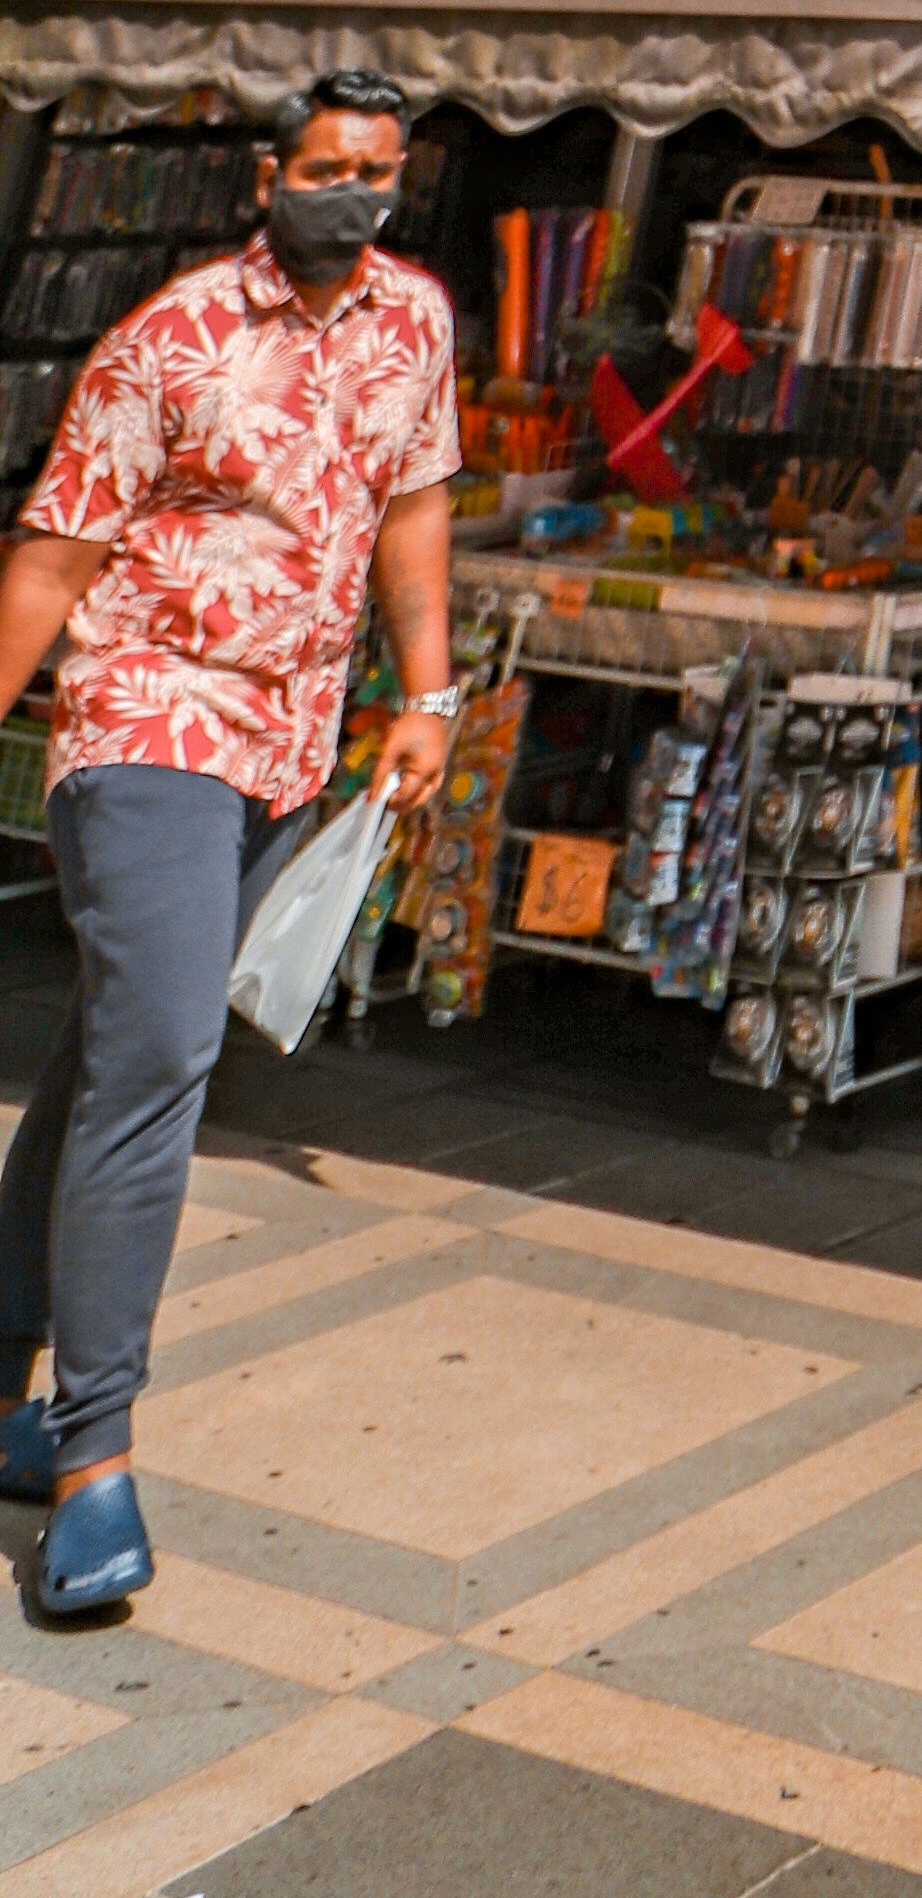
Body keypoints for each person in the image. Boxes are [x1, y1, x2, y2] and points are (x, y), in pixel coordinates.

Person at [0, 85, 463, 1626]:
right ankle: (94, 1459)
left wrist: (429, 691)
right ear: (271, 175)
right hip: (146, 720)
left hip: (288, 746)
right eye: (323, 170)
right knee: (166, 1054)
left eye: (374, 173)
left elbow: (414, 507)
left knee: (106, 1052)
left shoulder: (415, 321)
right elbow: (54, 556)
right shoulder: (174, 334)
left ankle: (3, 1356)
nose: (350, 194)